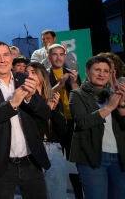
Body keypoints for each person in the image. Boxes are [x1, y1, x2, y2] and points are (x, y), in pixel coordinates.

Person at [0, 41, 50, 199]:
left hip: (31, 162)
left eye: (6, 55)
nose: (3, 60)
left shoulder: (24, 78)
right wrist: (12, 104)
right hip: (1, 165)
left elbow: (45, 112)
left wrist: (29, 98)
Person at [69, 56, 125, 199]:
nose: (102, 74)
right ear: (88, 71)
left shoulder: (115, 93)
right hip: (92, 157)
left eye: (106, 71)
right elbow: (82, 123)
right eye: (97, 70)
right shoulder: (77, 95)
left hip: (119, 157)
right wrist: (110, 107)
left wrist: (122, 104)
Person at [26, 62, 68, 199]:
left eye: (33, 71)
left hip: (53, 148)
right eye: (27, 72)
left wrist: (53, 111)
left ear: (42, 75)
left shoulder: (53, 96)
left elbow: (63, 130)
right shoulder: (24, 99)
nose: (29, 75)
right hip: (32, 150)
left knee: (58, 194)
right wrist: (46, 110)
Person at [47, 44, 83, 198]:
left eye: (61, 54)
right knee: (56, 165)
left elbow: (82, 98)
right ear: (49, 57)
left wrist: (74, 83)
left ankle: (78, 194)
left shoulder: (73, 75)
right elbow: (46, 97)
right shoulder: (45, 76)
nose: (58, 57)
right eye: (54, 54)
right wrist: (60, 84)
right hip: (55, 125)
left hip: (73, 124)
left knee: (75, 163)